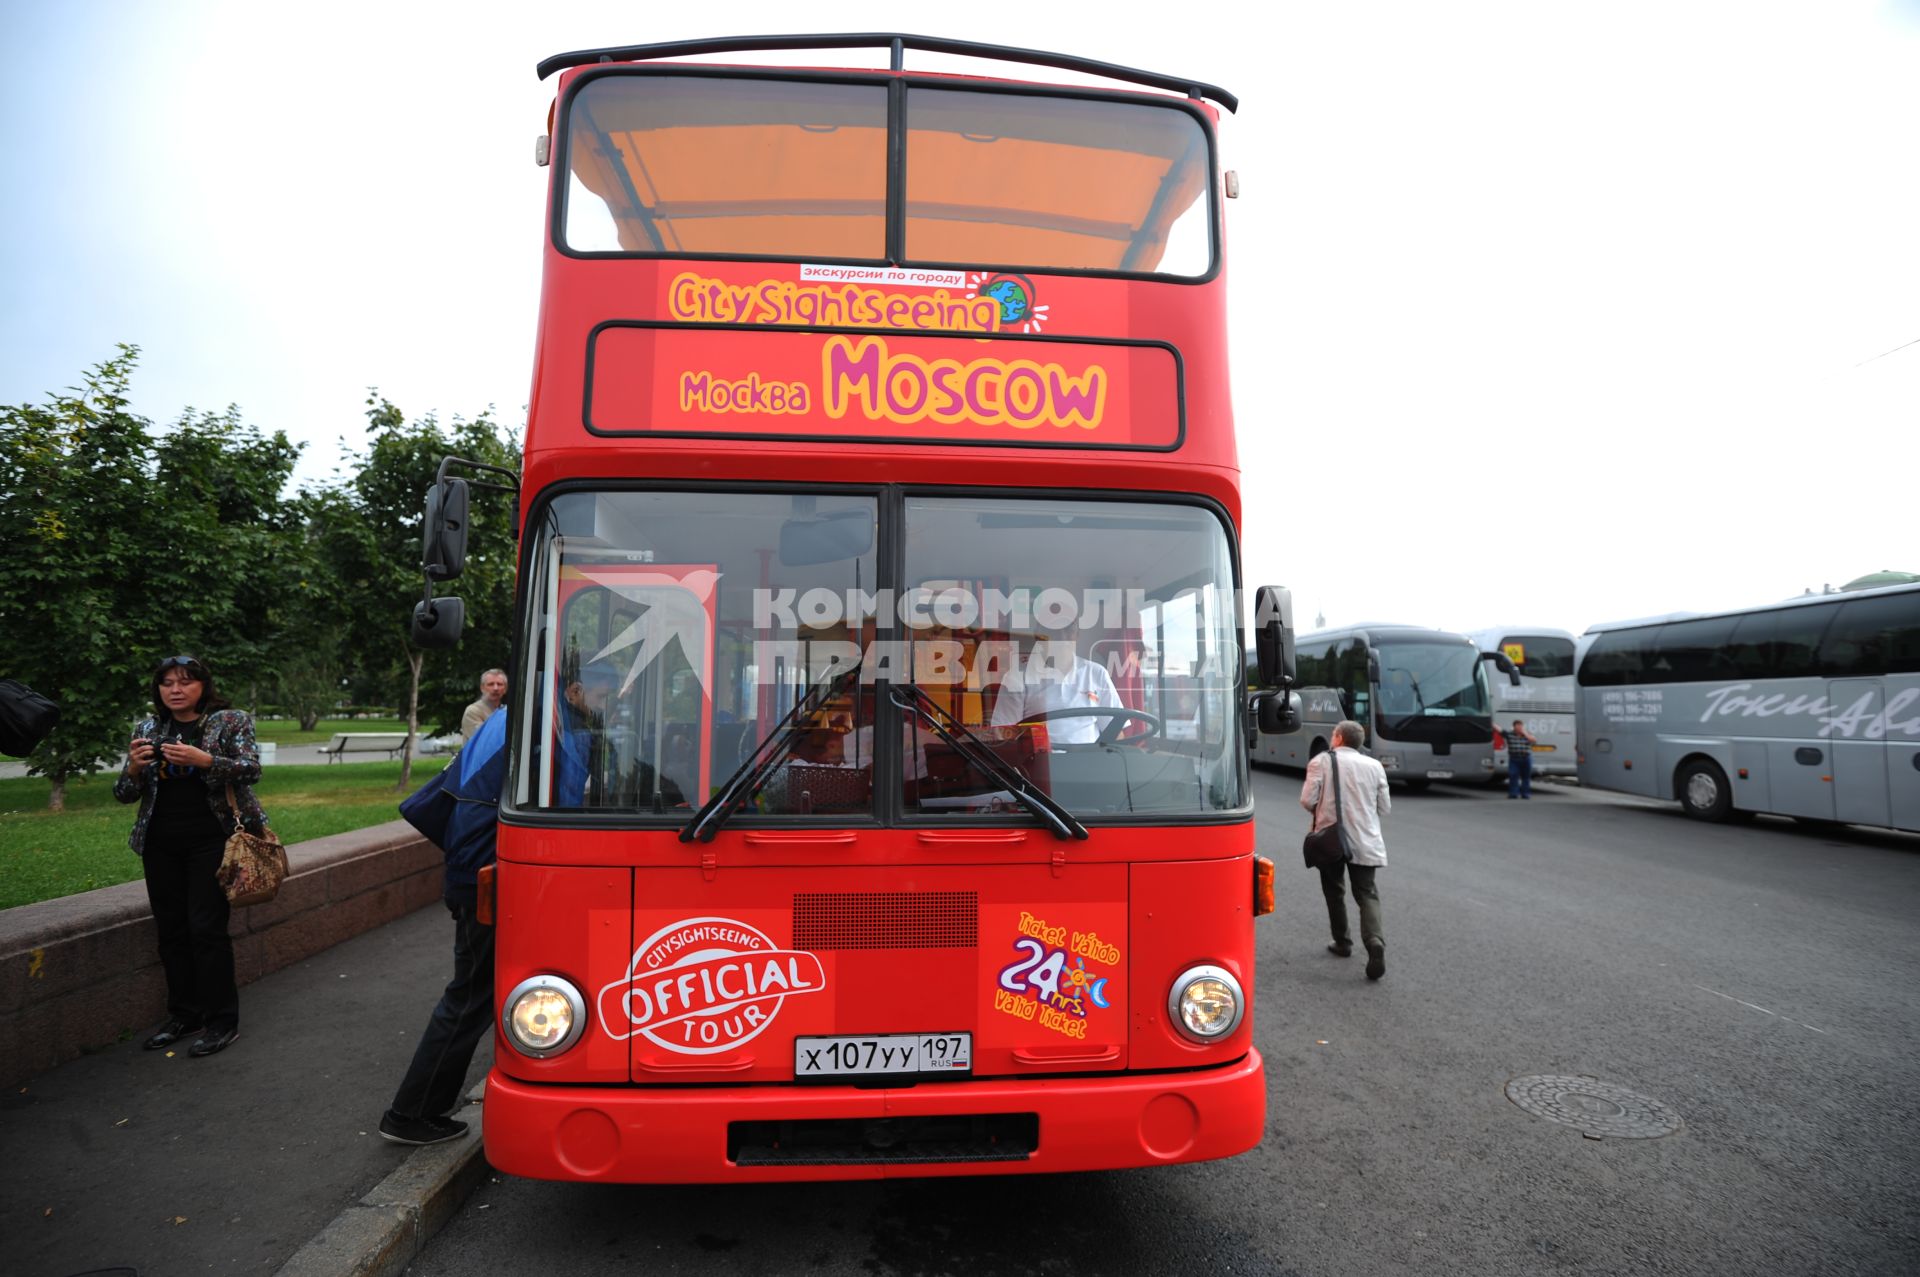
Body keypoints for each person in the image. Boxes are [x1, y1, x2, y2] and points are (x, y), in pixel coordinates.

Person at [113, 655, 266, 1057]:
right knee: (172, 930)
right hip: (160, 842)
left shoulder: (229, 721)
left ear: (203, 685)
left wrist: (207, 761)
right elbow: (124, 794)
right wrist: (132, 770)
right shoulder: (148, 728)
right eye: (166, 683)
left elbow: (251, 769)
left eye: (185, 682)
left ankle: (221, 1021)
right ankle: (185, 1014)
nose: (175, 690)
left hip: (212, 839)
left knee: (206, 929)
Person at [381, 708, 508, 1145]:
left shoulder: (510, 717)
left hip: (471, 875)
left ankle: (417, 1109)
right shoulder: (541, 723)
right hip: (484, 880)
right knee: (470, 995)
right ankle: (410, 1112)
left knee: (473, 994)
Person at [1299, 720, 1393, 980]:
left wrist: (1324, 809)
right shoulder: (1374, 766)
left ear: (1339, 738)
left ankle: (1342, 942)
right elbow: (1384, 808)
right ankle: (1375, 942)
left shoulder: (1320, 762)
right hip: (1366, 840)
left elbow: (1307, 800)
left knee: (1334, 890)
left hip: (1332, 840)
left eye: (1332, 734)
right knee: (1367, 894)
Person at [989, 613, 1124, 744]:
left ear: (1077, 634)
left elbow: (1115, 734)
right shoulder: (1016, 677)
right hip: (1038, 764)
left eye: (1068, 629)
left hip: (1089, 763)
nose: (1062, 637)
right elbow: (1003, 736)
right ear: (1038, 635)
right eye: (1053, 629)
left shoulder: (1097, 674)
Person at [459, 668, 507, 741]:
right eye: (490, 684)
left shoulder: (506, 711)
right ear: (482, 688)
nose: (496, 688)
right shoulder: (473, 712)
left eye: (499, 684)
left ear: (505, 689)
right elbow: (485, 741)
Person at [1506, 718, 1536, 799]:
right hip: (1514, 758)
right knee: (1513, 775)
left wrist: (1525, 733)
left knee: (1526, 777)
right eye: (1517, 726)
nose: (1519, 727)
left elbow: (1533, 740)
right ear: (1514, 727)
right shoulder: (1510, 734)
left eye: (1520, 726)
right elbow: (1500, 731)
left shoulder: (1527, 734)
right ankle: (1513, 793)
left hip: (1526, 758)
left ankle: (1525, 794)